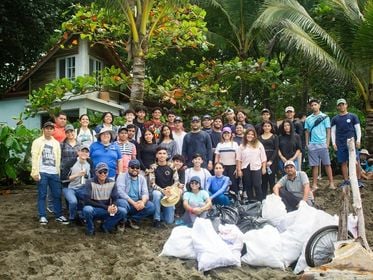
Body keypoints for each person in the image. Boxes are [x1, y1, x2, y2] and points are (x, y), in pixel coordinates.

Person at [31, 121, 69, 225]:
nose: (49, 130)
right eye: (47, 128)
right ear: (43, 129)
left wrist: (58, 173)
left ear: (53, 130)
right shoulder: (37, 141)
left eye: (51, 128)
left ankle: (58, 215)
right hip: (42, 172)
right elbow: (34, 157)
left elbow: (58, 158)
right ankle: (42, 216)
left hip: (54, 172)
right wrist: (34, 172)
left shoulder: (56, 143)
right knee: (42, 194)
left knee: (57, 194)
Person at [81, 162, 125, 235]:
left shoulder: (112, 182)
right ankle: (90, 228)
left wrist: (114, 206)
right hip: (94, 209)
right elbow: (87, 201)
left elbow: (115, 198)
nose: (103, 174)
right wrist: (106, 207)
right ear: (96, 172)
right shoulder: (89, 182)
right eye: (100, 172)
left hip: (107, 209)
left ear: (107, 173)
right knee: (87, 209)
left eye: (105, 172)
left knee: (122, 211)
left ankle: (106, 226)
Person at [331, 98, 363, 187]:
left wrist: (358, 140)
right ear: (337, 107)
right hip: (340, 143)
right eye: (339, 105)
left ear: (346, 105)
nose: (341, 106)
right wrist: (333, 143)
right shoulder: (335, 119)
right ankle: (346, 180)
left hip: (352, 142)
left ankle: (358, 180)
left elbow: (358, 129)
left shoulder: (353, 116)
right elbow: (333, 132)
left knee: (356, 161)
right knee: (343, 162)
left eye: (343, 104)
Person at [305, 98, 335, 190]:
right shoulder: (308, 119)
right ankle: (314, 184)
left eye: (315, 104)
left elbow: (328, 130)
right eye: (312, 105)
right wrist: (307, 144)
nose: (314, 106)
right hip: (312, 144)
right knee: (314, 165)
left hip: (322, 143)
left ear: (319, 105)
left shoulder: (325, 117)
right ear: (310, 107)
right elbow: (306, 132)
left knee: (327, 164)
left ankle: (331, 183)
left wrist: (327, 143)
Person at [116, 159, 155, 229]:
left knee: (151, 206)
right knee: (122, 203)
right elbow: (120, 192)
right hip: (126, 202)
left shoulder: (142, 178)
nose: (135, 169)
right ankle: (122, 221)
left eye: (137, 167)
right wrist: (133, 203)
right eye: (132, 167)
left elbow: (145, 192)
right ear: (128, 168)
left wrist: (142, 202)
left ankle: (132, 220)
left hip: (137, 202)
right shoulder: (122, 176)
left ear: (140, 169)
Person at [61, 144, 94, 223]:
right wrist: (77, 175)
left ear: (89, 154)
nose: (84, 153)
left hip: (82, 187)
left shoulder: (90, 162)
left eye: (86, 152)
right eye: (82, 151)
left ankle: (82, 216)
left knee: (87, 197)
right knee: (73, 202)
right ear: (78, 152)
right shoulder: (71, 162)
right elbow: (63, 178)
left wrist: (86, 176)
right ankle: (72, 218)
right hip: (69, 187)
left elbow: (92, 176)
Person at [148, 147, 179, 227]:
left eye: (164, 153)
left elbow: (176, 181)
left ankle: (162, 215)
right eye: (160, 153)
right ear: (156, 155)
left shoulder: (172, 166)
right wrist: (162, 190)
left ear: (167, 155)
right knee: (156, 194)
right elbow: (152, 183)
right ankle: (156, 219)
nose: (162, 155)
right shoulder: (153, 167)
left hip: (169, 193)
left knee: (169, 221)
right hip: (158, 191)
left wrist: (170, 188)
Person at [236, 127, 267, 201]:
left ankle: (260, 202)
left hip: (256, 167)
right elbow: (238, 159)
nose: (250, 136)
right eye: (248, 134)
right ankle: (251, 202)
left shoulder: (259, 144)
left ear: (254, 136)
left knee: (257, 185)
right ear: (246, 135)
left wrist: (263, 168)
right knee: (248, 185)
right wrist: (239, 170)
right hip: (245, 168)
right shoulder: (242, 146)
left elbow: (263, 157)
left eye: (252, 134)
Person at [215, 127, 239, 194]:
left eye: (228, 133)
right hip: (222, 167)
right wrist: (216, 167)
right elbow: (217, 156)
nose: (226, 134)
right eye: (224, 133)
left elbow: (237, 157)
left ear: (231, 134)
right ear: (222, 134)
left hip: (232, 166)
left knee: (233, 183)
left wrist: (237, 168)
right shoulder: (219, 144)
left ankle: (236, 198)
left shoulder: (235, 144)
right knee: (223, 183)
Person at [259, 120, 279, 197]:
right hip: (262, 160)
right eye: (265, 126)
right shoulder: (259, 137)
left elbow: (276, 149)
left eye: (268, 126)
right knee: (263, 180)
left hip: (272, 161)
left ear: (271, 127)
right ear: (262, 127)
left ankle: (274, 198)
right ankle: (263, 198)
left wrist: (271, 160)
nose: (266, 127)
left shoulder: (275, 137)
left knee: (272, 180)